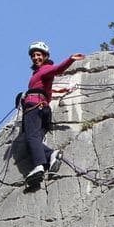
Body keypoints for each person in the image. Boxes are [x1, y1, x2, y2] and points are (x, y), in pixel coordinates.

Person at [19, 41, 83, 183]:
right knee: (32, 140)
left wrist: (70, 59)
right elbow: (47, 90)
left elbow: (58, 69)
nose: (35, 58)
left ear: (46, 56)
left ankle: (39, 165)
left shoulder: (45, 69)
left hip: (34, 107)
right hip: (43, 108)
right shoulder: (39, 74)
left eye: (39, 55)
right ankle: (51, 155)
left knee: (31, 138)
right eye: (33, 56)